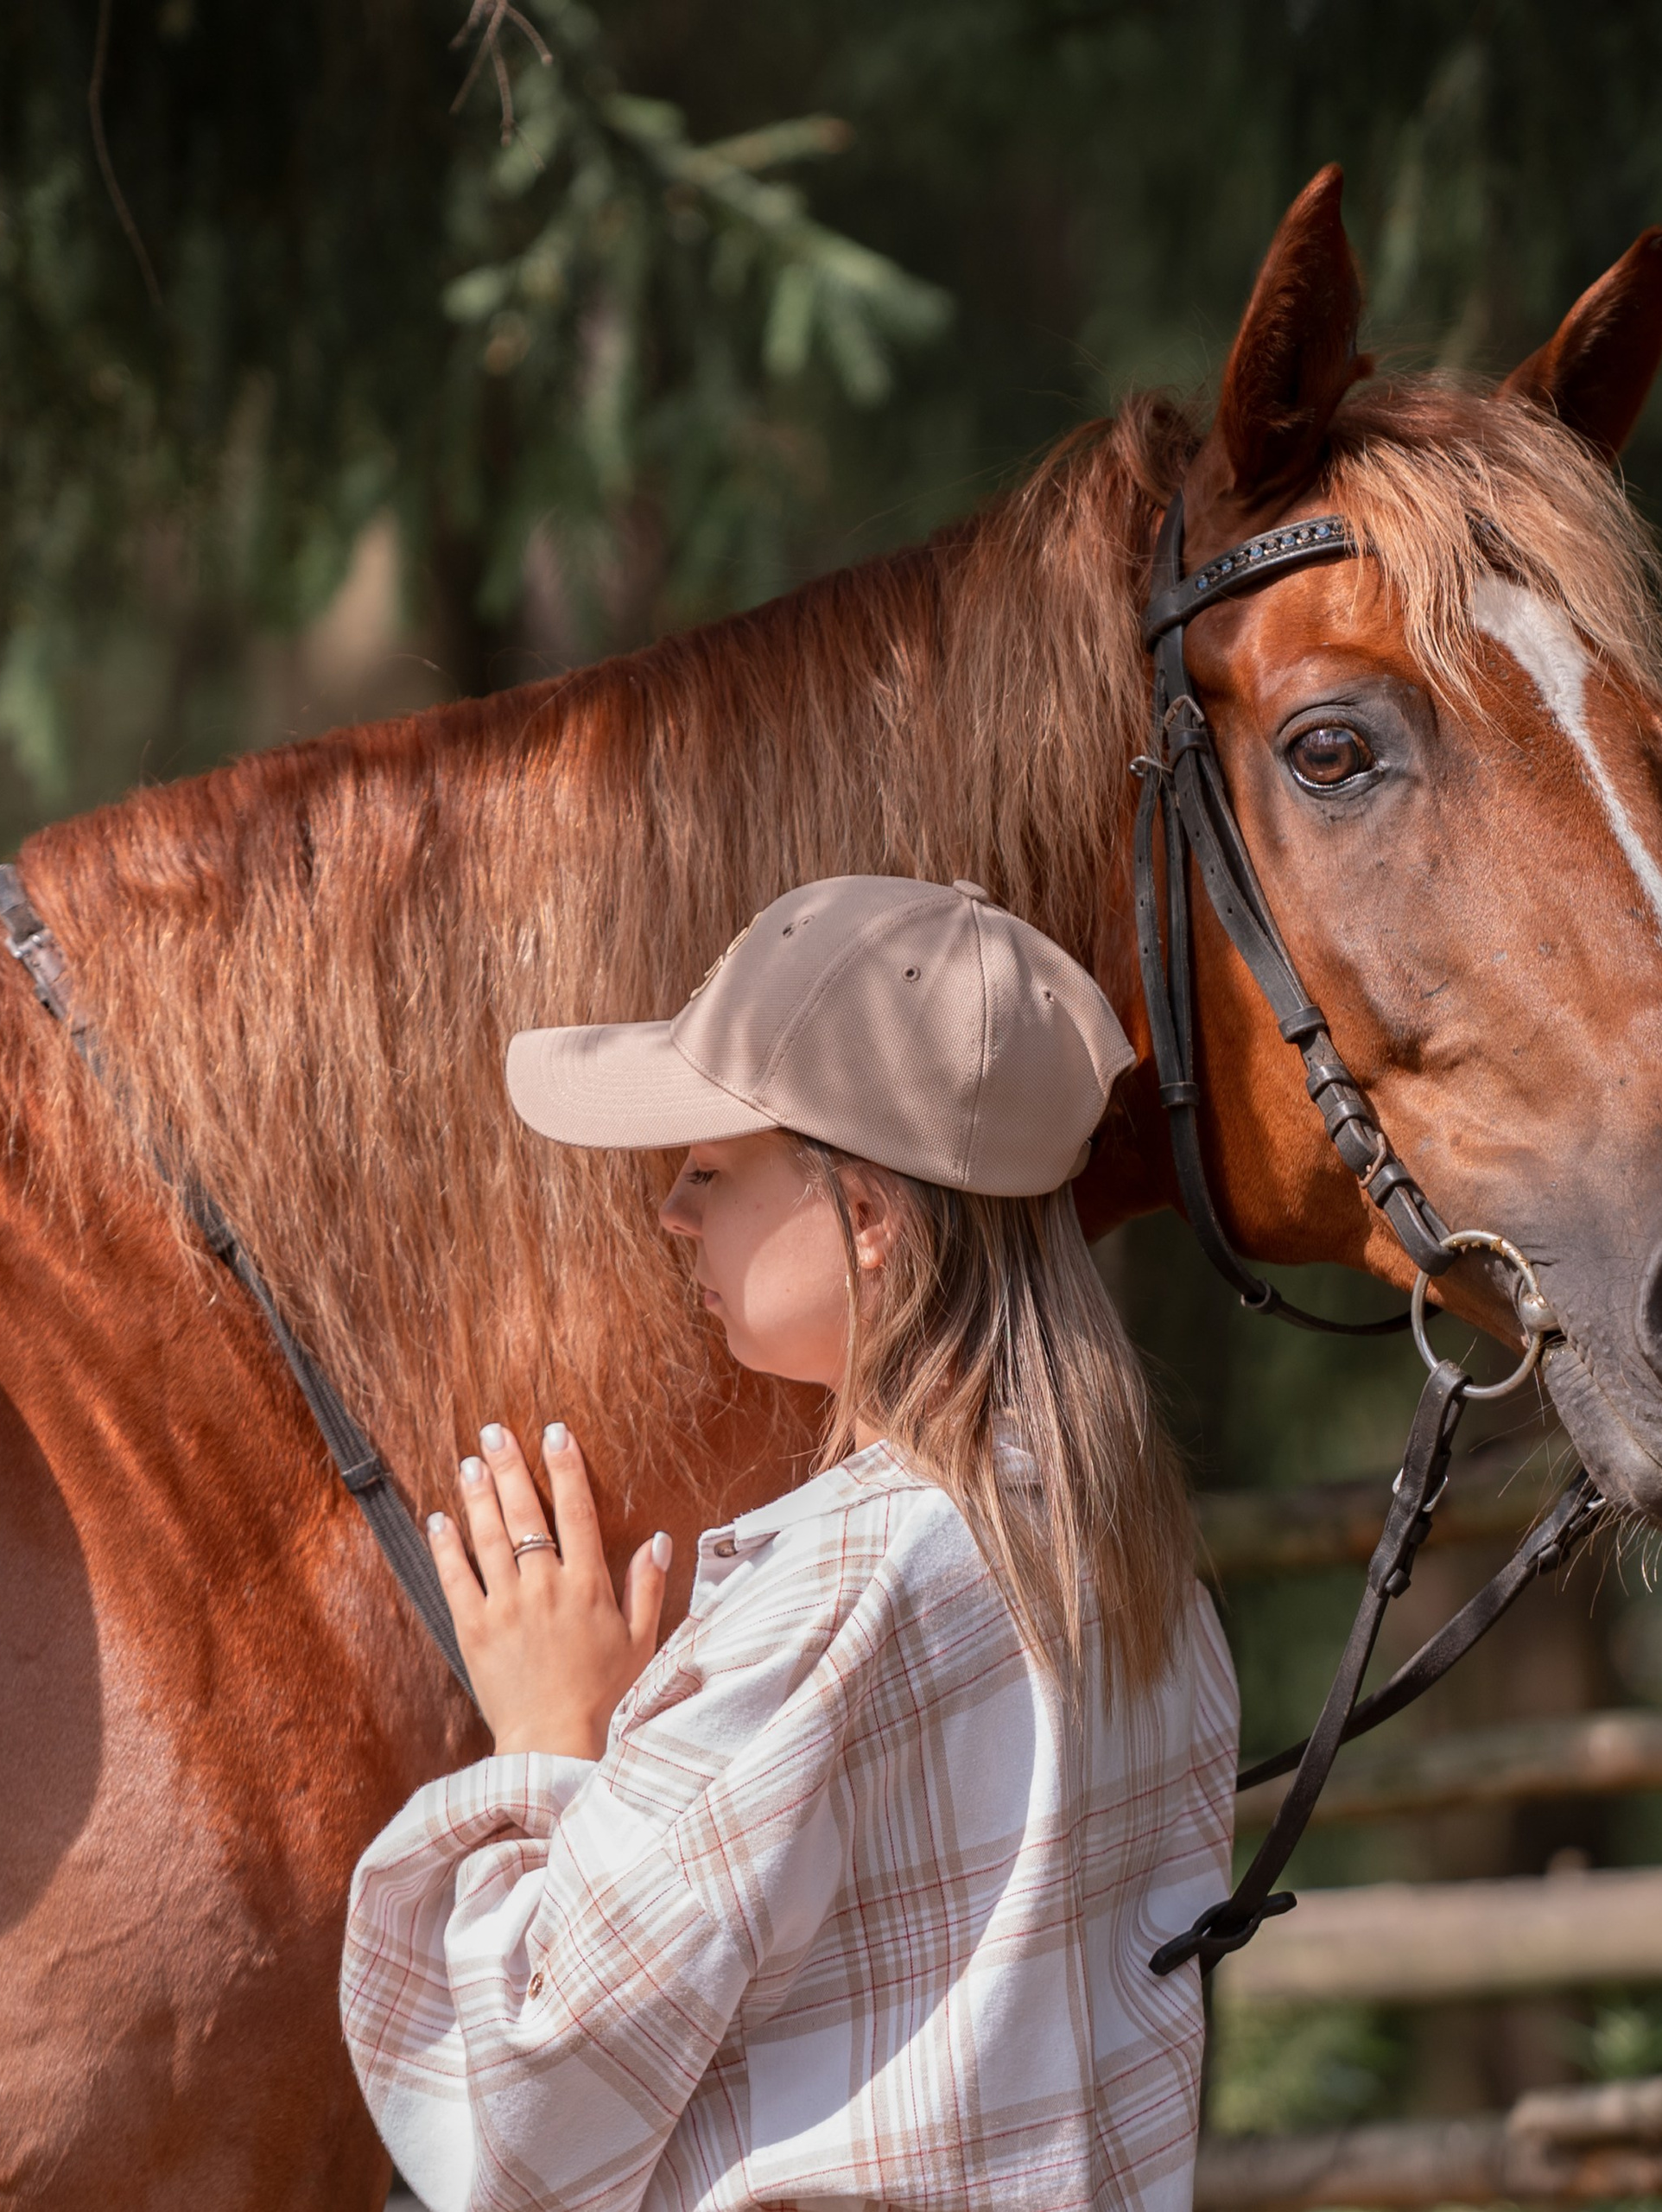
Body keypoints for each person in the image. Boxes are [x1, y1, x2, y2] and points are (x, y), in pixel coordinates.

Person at [340, 874, 1237, 2212]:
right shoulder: (1123, 1556)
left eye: (713, 1167)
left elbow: (532, 2109)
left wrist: (542, 1749)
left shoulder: (837, 1592)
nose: (673, 1213)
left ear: (868, 1218)